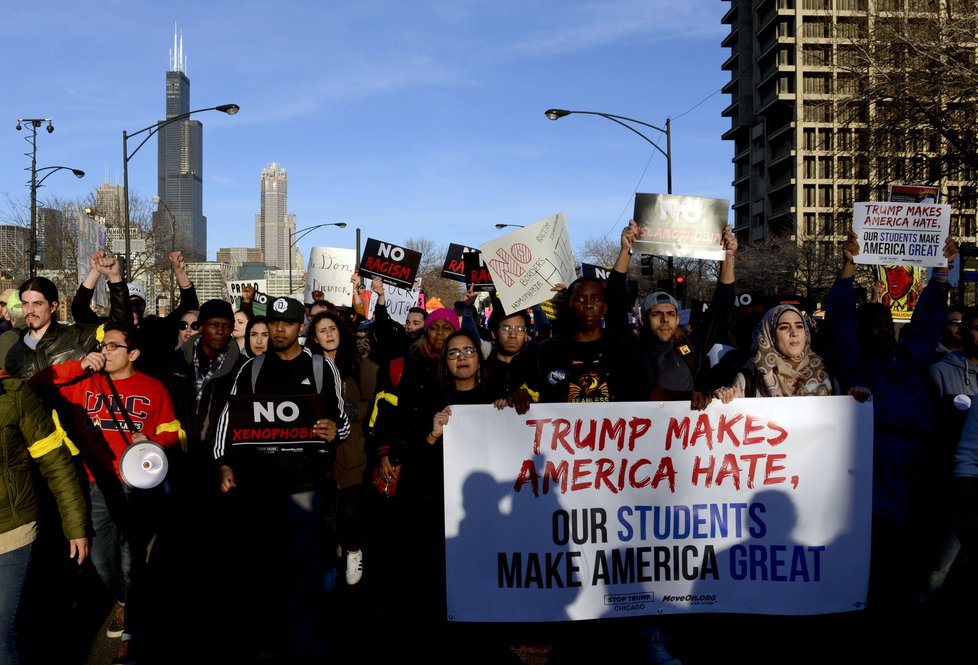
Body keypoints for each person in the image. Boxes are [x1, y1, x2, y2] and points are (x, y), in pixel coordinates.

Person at [213, 296, 349, 660]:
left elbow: (344, 422)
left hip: (307, 487)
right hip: (262, 486)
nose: (278, 330)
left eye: (286, 323)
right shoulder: (251, 369)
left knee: (307, 571)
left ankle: (306, 643)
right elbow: (230, 421)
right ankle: (269, 642)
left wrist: (334, 431)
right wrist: (224, 463)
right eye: (273, 324)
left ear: (300, 327)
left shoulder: (323, 369)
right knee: (266, 569)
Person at [37, 323, 182, 664]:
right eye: (103, 344)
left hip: (137, 486)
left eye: (114, 346)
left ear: (133, 354)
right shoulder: (84, 382)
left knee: (132, 559)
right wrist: (79, 365)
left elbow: (172, 430)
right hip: (95, 483)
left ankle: (132, 630)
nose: (105, 350)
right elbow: (36, 384)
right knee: (101, 559)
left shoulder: (153, 388)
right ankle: (122, 599)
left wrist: (154, 443)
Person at [0, 371, 89, 665]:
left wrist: (75, 525)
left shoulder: (13, 394)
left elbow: (55, 462)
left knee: (2, 634)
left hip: (12, 533)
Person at [305, 310, 376, 585]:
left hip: (353, 450)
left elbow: (374, 403)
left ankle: (354, 550)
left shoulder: (359, 363)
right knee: (326, 513)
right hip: (321, 454)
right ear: (314, 336)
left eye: (332, 328)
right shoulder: (309, 367)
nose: (329, 334)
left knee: (350, 512)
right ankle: (332, 554)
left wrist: (344, 412)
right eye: (322, 330)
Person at [636, 223, 737, 408]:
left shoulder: (689, 347)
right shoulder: (632, 351)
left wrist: (727, 257)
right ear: (643, 320)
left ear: (677, 318)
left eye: (671, 314)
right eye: (657, 314)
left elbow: (721, 308)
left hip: (683, 433)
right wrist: (626, 250)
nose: (665, 319)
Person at [71, 251, 199, 381]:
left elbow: (189, 307)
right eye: (127, 304)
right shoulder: (107, 328)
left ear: (144, 306)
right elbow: (79, 309)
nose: (133, 310)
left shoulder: (156, 329)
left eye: (137, 304)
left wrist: (179, 272)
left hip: (149, 393)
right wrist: (95, 271)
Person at [2, 257, 130, 382]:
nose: (29, 310)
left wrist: (115, 279)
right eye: (25, 303)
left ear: (53, 306)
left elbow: (118, 327)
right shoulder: (14, 354)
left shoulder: (77, 336)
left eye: (37, 304)